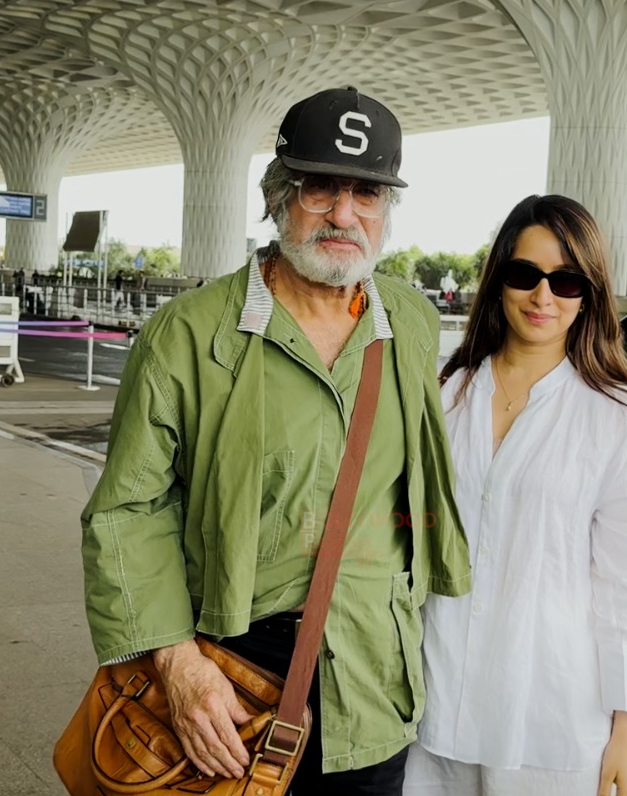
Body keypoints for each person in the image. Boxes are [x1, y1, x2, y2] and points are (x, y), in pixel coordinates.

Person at [80, 86, 471, 795]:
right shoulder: (189, 332)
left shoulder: (409, 321)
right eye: (321, 189)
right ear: (278, 197)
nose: (344, 215)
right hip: (232, 675)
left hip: (373, 674)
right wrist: (177, 663)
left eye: (366, 193)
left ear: (386, 210)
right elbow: (130, 510)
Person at [401, 195, 627, 796]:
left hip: (550, 716)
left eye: (566, 280)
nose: (543, 296)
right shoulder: (446, 394)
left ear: (589, 293)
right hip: (434, 707)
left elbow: (626, 585)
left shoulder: (618, 417)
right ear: (499, 280)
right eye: (526, 274)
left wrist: (625, 729)